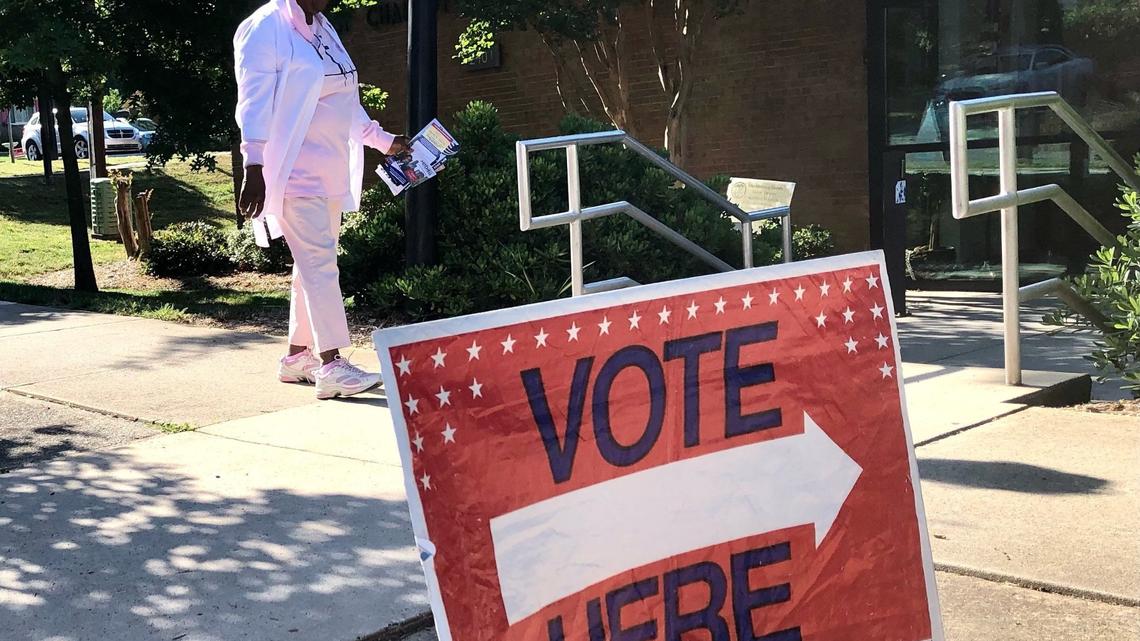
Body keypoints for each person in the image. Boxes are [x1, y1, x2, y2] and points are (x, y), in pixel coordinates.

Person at [233, 0, 407, 399]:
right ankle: (331, 364)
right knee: (320, 266)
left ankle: (297, 357)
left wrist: (383, 141)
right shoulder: (264, 29)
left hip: (329, 172)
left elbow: (345, 98)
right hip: (293, 172)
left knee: (309, 265)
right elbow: (253, 102)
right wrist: (253, 164)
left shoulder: (323, 27)